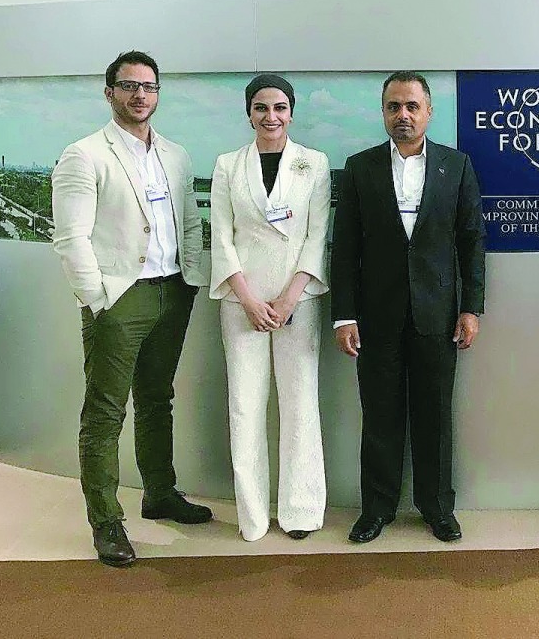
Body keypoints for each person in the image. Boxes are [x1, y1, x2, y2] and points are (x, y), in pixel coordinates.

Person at [51, 50, 209, 568]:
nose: (140, 95)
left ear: (158, 94)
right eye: (129, 86)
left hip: (172, 290)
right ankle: (105, 520)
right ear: (110, 93)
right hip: (121, 297)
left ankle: (159, 493)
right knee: (104, 413)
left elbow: (188, 222)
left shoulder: (177, 154)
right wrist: (97, 299)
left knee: (157, 397)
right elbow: (70, 237)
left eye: (149, 86)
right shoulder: (84, 154)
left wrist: (191, 277)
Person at [330, 71, 486, 544]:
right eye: (394, 107)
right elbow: (345, 248)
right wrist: (345, 314)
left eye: (412, 106)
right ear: (383, 112)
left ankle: (438, 508)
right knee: (379, 415)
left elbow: (472, 241)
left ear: (428, 111)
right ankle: (377, 509)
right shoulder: (359, 169)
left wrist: (471, 308)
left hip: (438, 315)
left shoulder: (456, 166)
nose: (403, 115)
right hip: (375, 317)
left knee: (435, 415)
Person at [209, 74, 332, 541]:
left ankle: (300, 511)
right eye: (261, 108)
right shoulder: (226, 165)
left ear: (292, 112)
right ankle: (253, 516)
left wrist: (289, 296)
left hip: (296, 298)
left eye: (279, 107)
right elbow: (220, 236)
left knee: (300, 403)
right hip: (242, 301)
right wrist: (247, 297)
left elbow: (318, 235)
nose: (271, 116)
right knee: (244, 405)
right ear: (249, 112)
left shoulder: (314, 163)